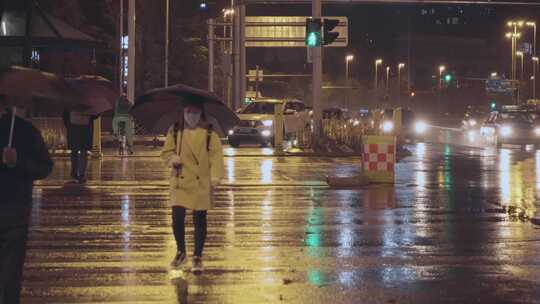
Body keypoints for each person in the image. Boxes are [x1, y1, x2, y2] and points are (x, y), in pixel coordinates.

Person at [161, 102, 224, 272]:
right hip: (180, 180)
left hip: (201, 180)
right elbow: (166, 152)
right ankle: (181, 251)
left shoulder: (210, 132)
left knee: (200, 219)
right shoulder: (175, 130)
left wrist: (216, 176)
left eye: (195, 112)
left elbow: (216, 156)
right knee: (177, 218)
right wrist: (172, 158)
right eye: (189, 111)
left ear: (201, 113)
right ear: (183, 112)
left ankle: (197, 255)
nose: (192, 115)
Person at [0, 105, 53, 304]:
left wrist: (17, 162)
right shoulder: (25, 129)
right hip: (16, 209)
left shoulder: (23, 131)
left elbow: (44, 167)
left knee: (11, 274)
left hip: (14, 210)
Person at [63, 110, 94, 183]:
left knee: (74, 151)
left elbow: (65, 114)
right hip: (86, 128)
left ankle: (74, 172)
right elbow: (94, 116)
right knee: (83, 152)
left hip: (73, 128)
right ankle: (81, 174)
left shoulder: (71, 101)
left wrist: (68, 125)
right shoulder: (90, 103)